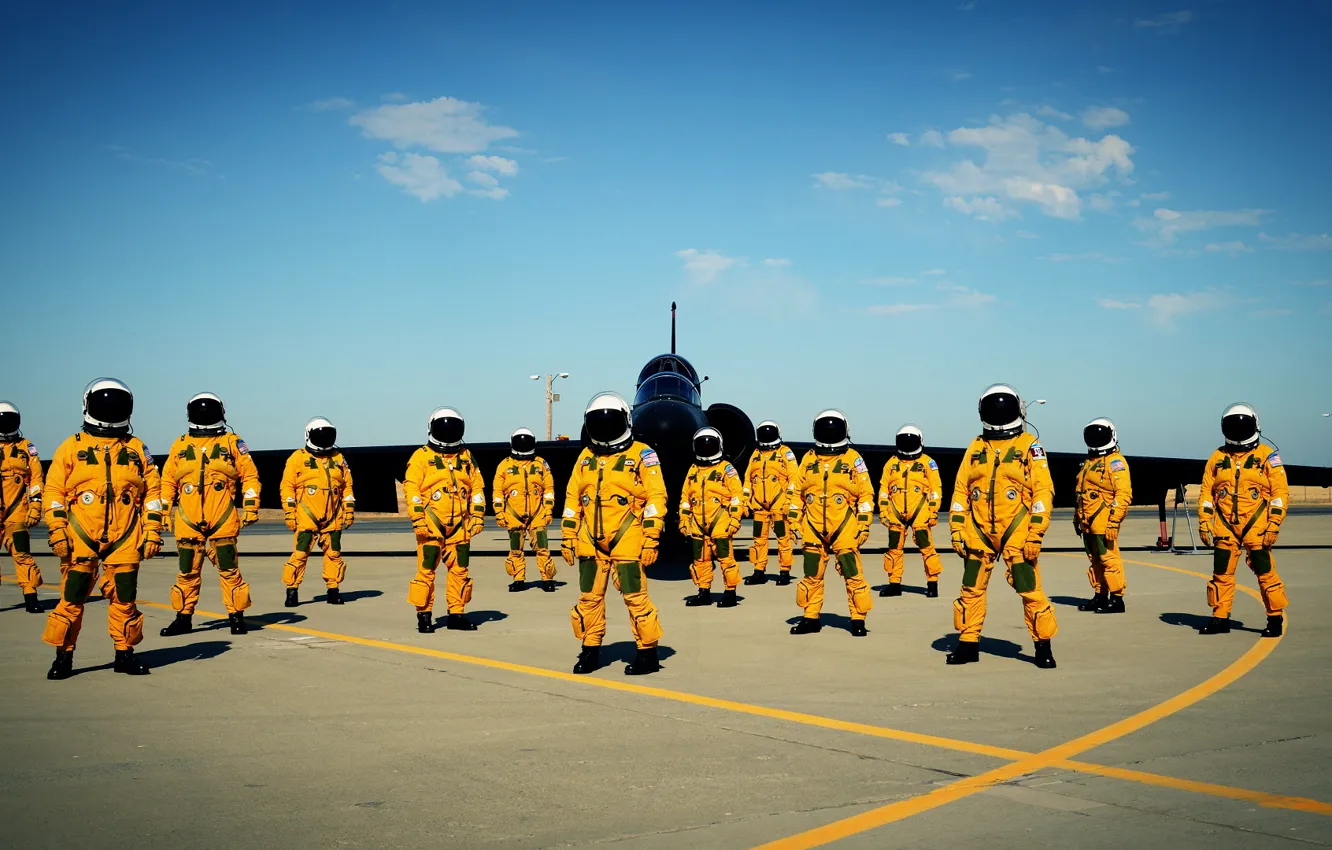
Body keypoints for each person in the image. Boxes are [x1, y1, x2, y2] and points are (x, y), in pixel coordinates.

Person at [42, 379, 162, 679]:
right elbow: (54, 491)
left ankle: (124, 654)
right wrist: (57, 529)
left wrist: (153, 531)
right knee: (72, 599)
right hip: (81, 535)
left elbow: (152, 495)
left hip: (125, 536)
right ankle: (63, 658)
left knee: (124, 599)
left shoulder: (136, 449)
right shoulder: (72, 447)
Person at [946, 384, 1058, 668]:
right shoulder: (976, 447)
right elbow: (961, 491)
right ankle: (968, 643)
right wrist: (957, 529)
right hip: (979, 529)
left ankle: (1042, 646)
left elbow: (1043, 492)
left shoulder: (1029, 446)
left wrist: (1035, 533)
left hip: (1017, 529)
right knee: (970, 588)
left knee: (1029, 588)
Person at [561, 392, 666, 675]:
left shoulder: (642, 455)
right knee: (589, 598)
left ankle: (647, 654)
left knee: (635, 597)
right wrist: (569, 536)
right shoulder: (586, 457)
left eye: (610, 422)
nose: (604, 428)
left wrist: (651, 537)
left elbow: (656, 497)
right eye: (598, 423)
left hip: (628, 536)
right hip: (590, 540)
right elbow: (572, 499)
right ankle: (590, 650)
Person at [156, 394, 261, 637]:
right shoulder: (180, 445)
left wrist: (251, 506)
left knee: (228, 568)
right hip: (188, 517)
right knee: (188, 570)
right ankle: (183, 618)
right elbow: (168, 481)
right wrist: (163, 511)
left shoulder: (232, 443)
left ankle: (236, 616)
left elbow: (250, 476)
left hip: (221, 515)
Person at [1197, 403, 1288, 638]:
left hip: (1256, 525)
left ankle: (1275, 618)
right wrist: (1204, 521)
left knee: (1265, 573)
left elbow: (1279, 494)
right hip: (1225, 525)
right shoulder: (1217, 457)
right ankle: (1220, 617)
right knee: (1222, 574)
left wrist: (1274, 523)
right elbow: (1206, 492)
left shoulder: (1267, 457)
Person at [789, 410, 874, 637]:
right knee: (811, 575)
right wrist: (794, 520)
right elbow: (796, 493)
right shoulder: (808, 459)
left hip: (843, 526)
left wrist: (863, 524)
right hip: (813, 526)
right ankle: (810, 617)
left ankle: (857, 620)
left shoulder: (853, 459)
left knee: (852, 574)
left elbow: (866, 494)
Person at [403, 408, 486, 633]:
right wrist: (418, 518)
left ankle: (456, 614)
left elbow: (477, 486)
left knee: (460, 570)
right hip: (431, 524)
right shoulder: (421, 457)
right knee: (427, 570)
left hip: (460, 525)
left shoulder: (466, 456)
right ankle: (424, 614)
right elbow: (412, 489)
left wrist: (478, 515)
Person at [280, 417, 355, 607]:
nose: (324, 439)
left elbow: (347, 486)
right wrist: (289, 512)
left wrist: (349, 509)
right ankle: (292, 591)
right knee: (300, 553)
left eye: (327, 435)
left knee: (334, 554)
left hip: (333, 515)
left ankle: (333, 589)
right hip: (307, 515)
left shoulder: (338, 458)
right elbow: (287, 487)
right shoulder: (297, 458)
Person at [679, 427, 745, 608]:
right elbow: (685, 498)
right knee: (700, 558)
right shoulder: (693, 470)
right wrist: (684, 519)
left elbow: (737, 495)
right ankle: (703, 591)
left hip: (720, 519)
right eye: (702, 446)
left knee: (725, 557)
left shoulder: (726, 469)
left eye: (710, 445)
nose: (706, 449)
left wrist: (735, 518)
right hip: (698, 521)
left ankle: (730, 592)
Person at [877, 424, 943, 598]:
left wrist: (934, 509)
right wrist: (883, 510)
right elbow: (884, 488)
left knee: (926, 547)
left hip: (920, 510)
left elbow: (936, 487)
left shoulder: (928, 463)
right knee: (894, 549)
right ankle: (894, 583)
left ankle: (932, 583)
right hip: (896, 510)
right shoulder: (891, 463)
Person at [1073, 418, 1131, 614]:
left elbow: (1123, 494)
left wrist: (1114, 521)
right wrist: (1077, 516)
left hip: (1103, 519)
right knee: (1095, 559)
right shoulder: (1090, 462)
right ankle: (1100, 595)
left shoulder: (1115, 462)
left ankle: (1117, 598)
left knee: (1108, 558)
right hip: (1087, 519)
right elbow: (1081, 491)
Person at [493, 428, 557, 593]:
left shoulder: (540, 464)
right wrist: (499, 513)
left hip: (538, 512)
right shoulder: (504, 466)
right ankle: (518, 578)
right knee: (516, 549)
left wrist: (548, 509)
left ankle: (547, 579)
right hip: (514, 513)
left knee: (542, 547)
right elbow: (498, 492)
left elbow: (549, 488)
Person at [742, 421, 801, 587]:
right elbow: (748, 479)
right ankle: (759, 571)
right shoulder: (755, 454)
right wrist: (745, 499)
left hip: (779, 506)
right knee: (759, 540)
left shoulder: (785, 453)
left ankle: (784, 571)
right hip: (759, 506)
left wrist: (789, 500)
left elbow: (794, 478)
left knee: (783, 539)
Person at [0, 402, 46, 614]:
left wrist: (35, 506)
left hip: (17, 511)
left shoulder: (26, 448)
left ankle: (31, 597)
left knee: (22, 554)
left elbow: (36, 478)